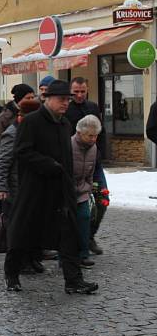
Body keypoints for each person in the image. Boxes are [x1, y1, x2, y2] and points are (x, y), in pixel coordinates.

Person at [4, 79, 98, 295]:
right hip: (35, 188)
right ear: (48, 99)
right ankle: (11, 274)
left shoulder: (64, 124)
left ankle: (73, 280)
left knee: (69, 233)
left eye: (68, 100)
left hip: (61, 188)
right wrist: (49, 165)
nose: (66, 103)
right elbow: (22, 152)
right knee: (23, 233)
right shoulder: (31, 121)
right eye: (62, 99)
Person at [0, 83, 36, 257]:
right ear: (19, 100)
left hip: (19, 174)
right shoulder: (5, 118)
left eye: (32, 97)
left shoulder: (31, 115)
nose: (31, 100)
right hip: (3, 171)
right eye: (28, 98)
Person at [0, 98, 42, 270]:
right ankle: (19, 262)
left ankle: (32, 258)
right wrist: (1, 187)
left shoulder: (34, 130)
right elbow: (3, 162)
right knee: (17, 228)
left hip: (30, 186)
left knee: (32, 225)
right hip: (14, 188)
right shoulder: (11, 133)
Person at [66, 76, 108, 256]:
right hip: (72, 164)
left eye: (83, 91)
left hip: (93, 163)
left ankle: (90, 236)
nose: (80, 95)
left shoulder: (92, 107)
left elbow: (102, 133)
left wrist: (100, 154)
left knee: (102, 201)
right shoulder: (66, 109)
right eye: (76, 92)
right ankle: (74, 243)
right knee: (75, 206)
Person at [72, 115, 103, 268]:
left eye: (95, 136)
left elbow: (91, 171)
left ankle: (83, 254)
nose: (93, 139)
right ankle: (65, 255)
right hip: (68, 190)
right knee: (69, 223)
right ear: (79, 133)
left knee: (85, 217)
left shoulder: (94, 148)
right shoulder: (69, 145)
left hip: (83, 189)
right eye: (90, 135)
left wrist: (89, 187)